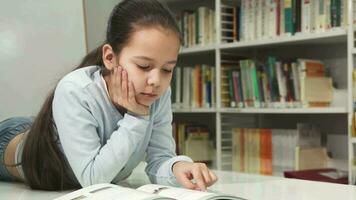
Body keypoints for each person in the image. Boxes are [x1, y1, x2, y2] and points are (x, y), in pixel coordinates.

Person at [0, 0, 218, 191]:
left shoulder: (157, 93)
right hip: (14, 145)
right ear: (110, 57)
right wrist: (137, 117)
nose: (156, 81)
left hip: (53, 131)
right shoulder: (75, 89)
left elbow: (159, 158)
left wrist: (179, 167)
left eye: (167, 69)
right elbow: (94, 180)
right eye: (144, 66)